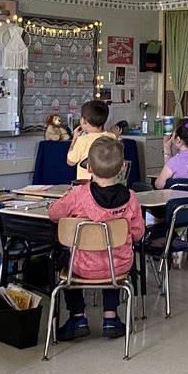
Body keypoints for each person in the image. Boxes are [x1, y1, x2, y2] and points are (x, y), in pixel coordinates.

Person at [47, 136, 144, 340]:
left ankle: (77, 317)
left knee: (66, 261)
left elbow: (54, 214)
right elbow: (138, 233)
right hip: (118, 266)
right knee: (113, 256)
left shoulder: (78, 195)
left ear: (88, 167)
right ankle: (111, 318)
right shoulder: (132, 197)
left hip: (82, 266)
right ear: (121, 169)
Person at [68, 99, 110, 182]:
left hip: (86, 185)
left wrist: (74, 139)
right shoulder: (111, 137)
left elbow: (70, 162)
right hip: (107, 183)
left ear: (83, 120)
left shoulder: (82, 140)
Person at [155, 119, 188, 189]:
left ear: (178, 139)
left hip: (176, 199)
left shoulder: (174, 161)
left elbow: (158, 185)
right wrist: (167, 148)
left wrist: (166, 148)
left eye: (173, 135)